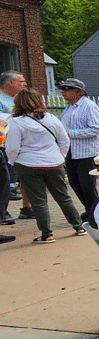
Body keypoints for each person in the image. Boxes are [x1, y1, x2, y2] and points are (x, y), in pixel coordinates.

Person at [5, 88, 85, 243]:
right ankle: (79, 226)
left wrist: (13, 161)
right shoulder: (51, 118)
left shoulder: (16, 122)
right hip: (54, 163)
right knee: (63, 197)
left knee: (38, 201)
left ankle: (47, 233)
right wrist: (60, 156)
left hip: (28, 164)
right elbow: (64, 141)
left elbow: (13, 147)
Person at [56, 78, 99, 217]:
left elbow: (97, 129)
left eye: (66, 89)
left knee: (87, 184)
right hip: (71, 151)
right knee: (74, 182)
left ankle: (95, 212)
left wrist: (70, 133)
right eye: (62, 89)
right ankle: (89, 208)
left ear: (78, 91)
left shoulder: (89, 106)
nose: (63, 92)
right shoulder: (69, 107)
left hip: (86, 152)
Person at [0, 70, 28, 228]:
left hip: (15, 146)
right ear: (10, 83)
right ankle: (3, 213)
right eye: (21, 81)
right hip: (3, 146)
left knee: (12, 182)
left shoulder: (17, 100)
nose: (24, 84)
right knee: (4, 184)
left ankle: (26, 208)